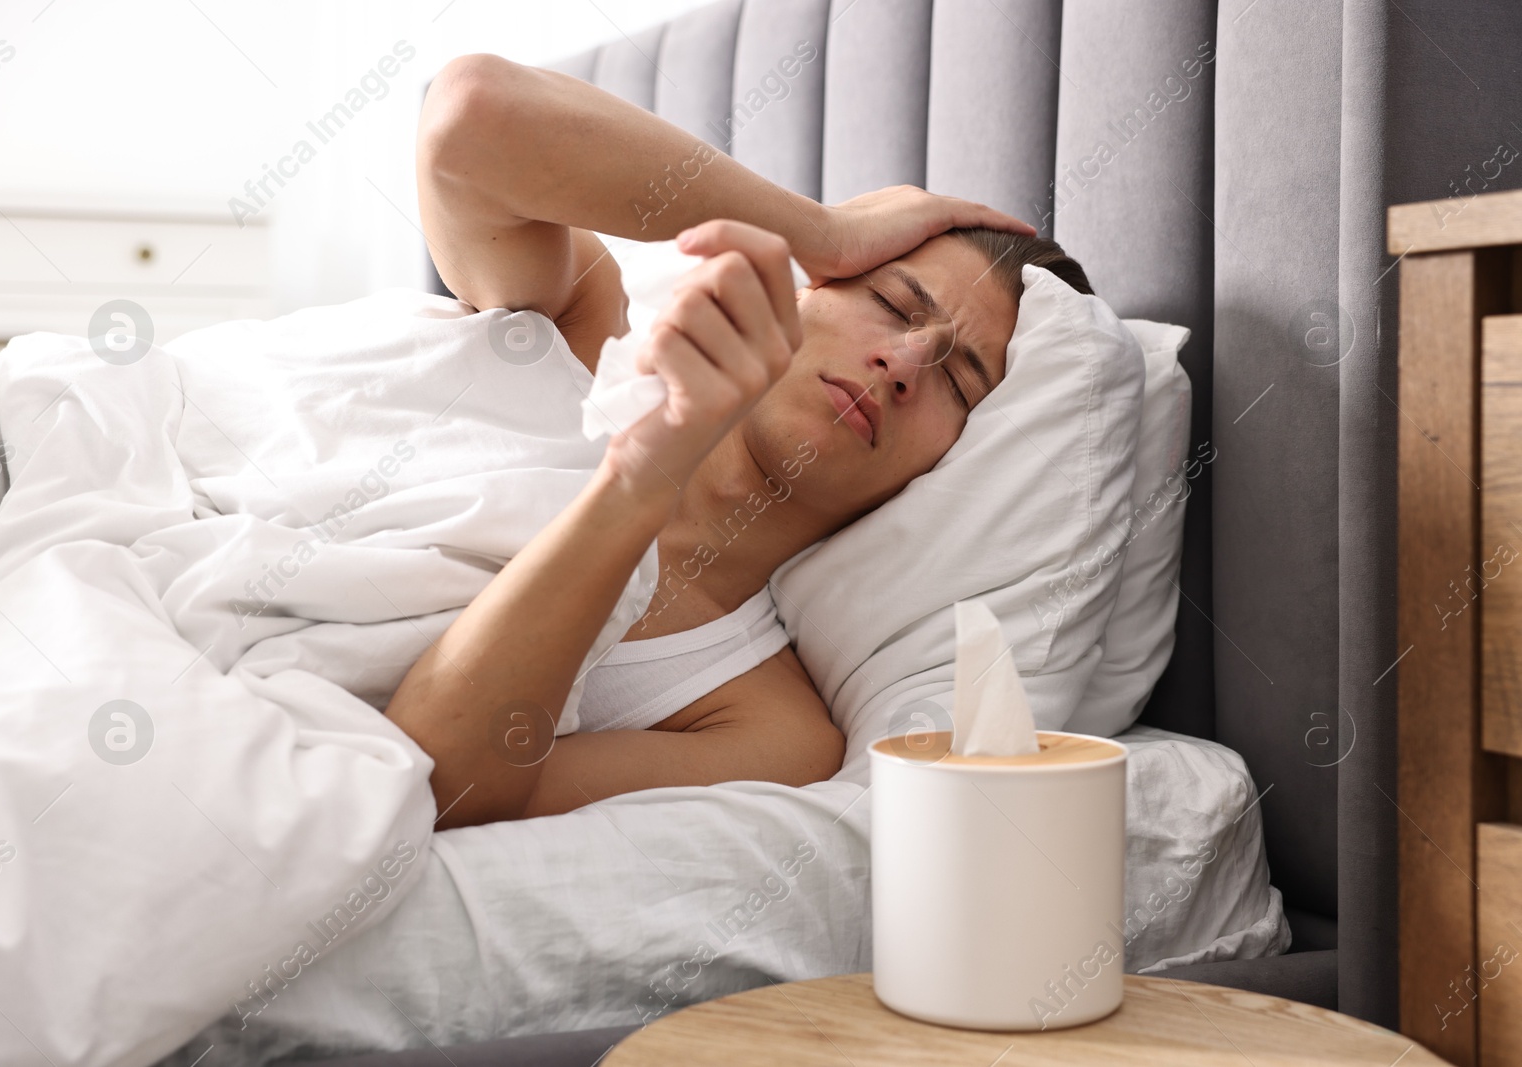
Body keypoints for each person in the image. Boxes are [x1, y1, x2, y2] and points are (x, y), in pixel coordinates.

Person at [386, 52, 1093, 830]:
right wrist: (817, 228)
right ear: (811, 285)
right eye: (892, 304)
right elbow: (471, 116)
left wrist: (646, 471)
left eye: (961, 383)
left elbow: (426, 784)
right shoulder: (586, 321)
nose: (904, 362)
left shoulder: (765, 729)